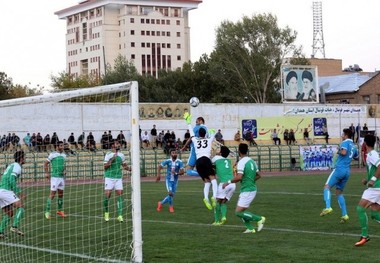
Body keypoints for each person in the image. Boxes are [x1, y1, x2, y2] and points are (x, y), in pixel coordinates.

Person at [222, 143, 265, 233]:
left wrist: (228, 182)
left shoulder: (241, 162)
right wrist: (250, 180)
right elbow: (258, 175)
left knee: (238, 212)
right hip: (250, 188)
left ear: (239, 151)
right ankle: (250, 228)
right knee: (242, 211)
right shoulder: (252, 161)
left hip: (247, 190)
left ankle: (259, 219)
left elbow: (239, 177)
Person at [320, 128, 358, 223]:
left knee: (326, 187)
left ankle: (328, 207)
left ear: (345, 135)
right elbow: (356, 157)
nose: (342, 136)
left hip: (339, 169)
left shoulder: (345, 143)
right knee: (339, 193)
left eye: (342, 134)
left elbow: (344, 152)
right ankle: (344, 215)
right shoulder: (354, 146)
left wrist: (338, 151)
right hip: (347, 171)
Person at [184, 113, 218, 210]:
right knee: (213, 179)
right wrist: (212, 132)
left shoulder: (195, 140)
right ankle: (214, 197)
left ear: (199, 134)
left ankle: (206, 198)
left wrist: (188, 122)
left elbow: (191, 132)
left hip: (199, 162)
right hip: (206, 160)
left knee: (206, 181)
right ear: (205, 133)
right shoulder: (208, 140)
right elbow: (212, 134)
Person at [354, 134, 380, 246]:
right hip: (376, 187)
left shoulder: (371, 154)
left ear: (365, 143)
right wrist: (367, 179)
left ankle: (365, 236)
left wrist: (373, 180)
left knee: (360, 209)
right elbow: (375, 168)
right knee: (375, 213)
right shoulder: (372, 154)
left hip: (376, 188)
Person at [0, 151, 26, 238]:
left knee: (9, 213)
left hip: (1, 190)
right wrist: (20, 193)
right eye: (24, 157)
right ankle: (14, 227)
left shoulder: (11, 165)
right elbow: (11, 179)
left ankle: (0, 232)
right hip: (6, 191)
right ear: (21, 159)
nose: (25, 159)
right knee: (21, 206)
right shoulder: (17, 167)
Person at [103, 139, 130, 222]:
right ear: (112, 145)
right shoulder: (108, 154)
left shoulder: (121, 155)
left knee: (120, 195)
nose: (118, 145)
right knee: (107, 196)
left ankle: (120, 215)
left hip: (118, 178)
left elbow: (124, 166)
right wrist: (112, 159)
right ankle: (106, 214)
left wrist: (132, 169)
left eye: (119, 143)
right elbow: (105, 166)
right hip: (109, 177)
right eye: (117, 143)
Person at [211, 146, 236, 225]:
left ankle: (217, 221)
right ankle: (224, 216)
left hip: (224, 184)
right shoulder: (228, 160)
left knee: (217, 202)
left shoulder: (216, 158)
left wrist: (215, 153)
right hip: (232, 184)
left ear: (220, 152)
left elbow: (210, 162)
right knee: (223, 202)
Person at [44, 141, 67, 219]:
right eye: (61, 146)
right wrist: (47, 173)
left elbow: (63, 164)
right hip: (55, 177)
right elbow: (45, 164)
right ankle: (47, 212)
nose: (62, 147)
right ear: (57, 147)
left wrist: (64, 170)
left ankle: (59, 211)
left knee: (61, 194)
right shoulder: (52, 154)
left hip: (61, 177)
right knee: (52, 194)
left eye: (63, 145)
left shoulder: (64, 155)